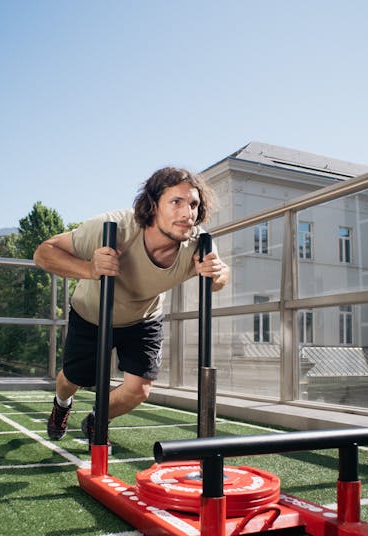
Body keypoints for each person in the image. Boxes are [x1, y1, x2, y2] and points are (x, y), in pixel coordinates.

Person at [33, 166, 229, 447]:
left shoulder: (198, 242)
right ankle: (62, 404)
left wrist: (217, 272)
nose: (188, 213)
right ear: (152, 205)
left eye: (194, 204)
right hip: (93, 315)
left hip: (143, 318)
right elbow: (43, 252)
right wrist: (90, 268)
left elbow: (220, 280)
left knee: (139, 390)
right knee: (73, 379)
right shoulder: (113, 227)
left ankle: (97, 420)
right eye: (176, 202)